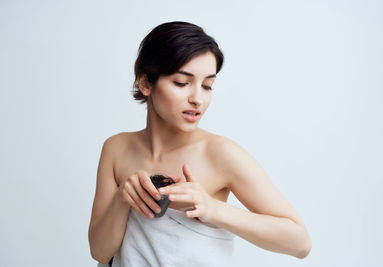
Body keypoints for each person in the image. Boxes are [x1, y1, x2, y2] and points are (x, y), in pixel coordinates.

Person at [88, 21, 312, 267]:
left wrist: (213, 209)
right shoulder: (116, 148)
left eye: (207, 86)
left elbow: (299, 243)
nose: (198, 99)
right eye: (182, 83)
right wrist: (122, 198)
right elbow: (100, 252)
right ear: (145, 83)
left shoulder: (221, 154)